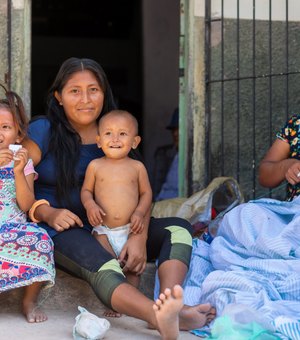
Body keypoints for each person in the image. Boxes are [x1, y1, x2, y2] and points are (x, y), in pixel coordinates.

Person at [23, 57, 215, 339]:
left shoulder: (115, 129)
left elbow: (140, 191)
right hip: (64, 229)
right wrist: (46, 212)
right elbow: (16, 180)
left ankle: (171, 304)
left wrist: (140, 234)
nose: (85, 99)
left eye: (94, 89)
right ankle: (156, 314)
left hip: (118, 226)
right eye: (75, 90)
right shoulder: (44, 130)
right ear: (58, 97)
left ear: (105, 93)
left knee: (179, 229)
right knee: (104, 263)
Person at [81, 109, 152, 311]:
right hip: (103, 230)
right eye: (108, 133)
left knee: (132, 269)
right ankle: (115, 303)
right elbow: (86, 191)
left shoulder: (137, 167)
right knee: (110, 265)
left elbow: (147, 194)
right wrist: (90, 205)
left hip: (130, 229)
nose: (114, 139)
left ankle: (132, 305)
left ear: (135, 141)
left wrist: (139, 212)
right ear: (98, 141)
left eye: (122, 133)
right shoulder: (95, 166)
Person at [0, 85, 55, 323]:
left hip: (12, 231)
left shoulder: (24, 163)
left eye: (5, 127)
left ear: (18, 135)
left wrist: (19, 171)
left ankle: (28, 301)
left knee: (42, 240)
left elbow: (26, 205)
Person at [259, 114, 300, 200]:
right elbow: (264, 176)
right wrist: (288, 166)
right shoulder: (296, 125)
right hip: (293, 210)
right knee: (246, 210)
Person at [155, 108, 179, 201]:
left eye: (179, 129)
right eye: (173, 130)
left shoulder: (194, 158)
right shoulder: (164, 154)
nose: (175, 134)